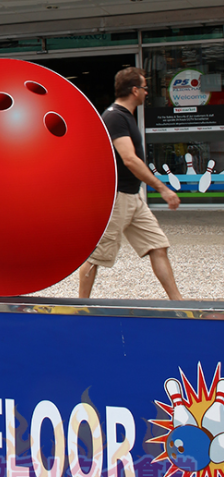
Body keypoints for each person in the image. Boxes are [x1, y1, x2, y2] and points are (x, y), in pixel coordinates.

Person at [78, 67, 182, 301]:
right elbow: (129, 159)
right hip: (117, 198)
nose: (147, 92)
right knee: (97, 256)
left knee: (157, 245)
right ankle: (80, 307)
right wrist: (162, 188)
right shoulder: (114, 117)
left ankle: (178, 303)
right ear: (135, 90)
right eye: (144, 87)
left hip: (134, 196)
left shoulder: (126, 116)